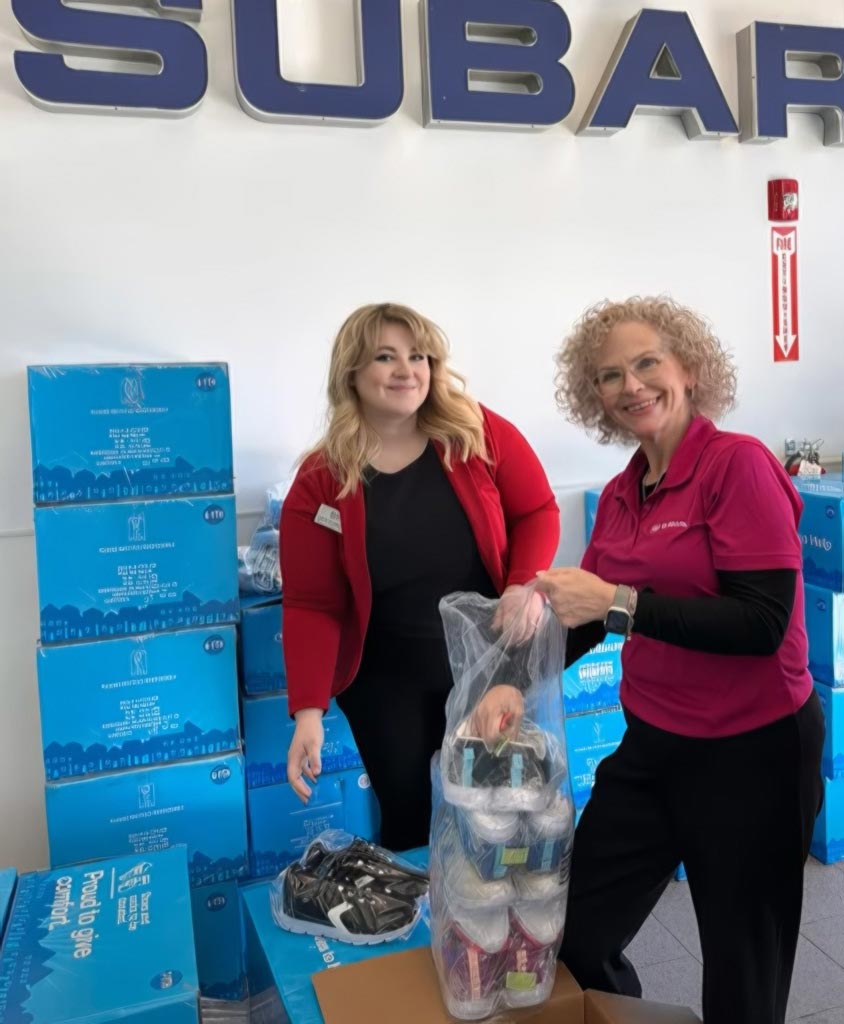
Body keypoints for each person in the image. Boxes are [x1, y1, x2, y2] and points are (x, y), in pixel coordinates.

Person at [536, 297, 824, 1024]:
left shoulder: (738, 465)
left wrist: (621, 601)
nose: (630, 385)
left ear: (689, 370)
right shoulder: (623, 492)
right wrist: (517, 676)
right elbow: (591, 616)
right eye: (610, 375)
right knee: (575, 931)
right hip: (655, 746)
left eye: (646, 363)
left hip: (753, 751)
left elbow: (762, 622)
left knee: (741, 975)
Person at [280, 302, 560, 852]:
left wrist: (522, 583)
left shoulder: (475, 432)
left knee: (493, 811)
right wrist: (307, 713)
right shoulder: (321, 479)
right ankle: (420, 910)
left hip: (484, 663)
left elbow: (537, 511)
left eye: (418, 356)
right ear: (352, 373)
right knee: (410, 819)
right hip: (386, 682)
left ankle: (491, 906)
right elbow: (313, 603)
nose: (406, 370)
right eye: (385, 357)